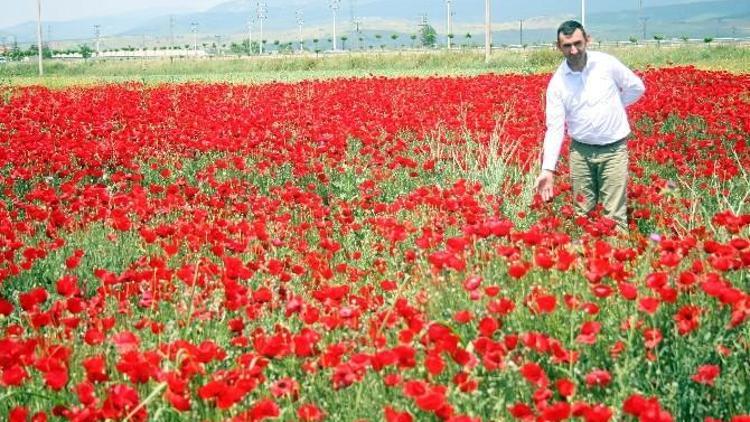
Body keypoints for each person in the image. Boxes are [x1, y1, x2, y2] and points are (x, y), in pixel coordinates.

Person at [535, 20, 645, 232]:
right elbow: (555, 128)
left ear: (588, 40)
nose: (573, 50)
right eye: (567, 46)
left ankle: (615, 256)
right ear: (558, 47)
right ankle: (587, 260)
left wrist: (616, 104)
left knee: (615, 216)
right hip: (581, 153)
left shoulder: (607, 64)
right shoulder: (557, 83)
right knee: (582, 213)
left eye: (578, 43)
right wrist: (547, 169)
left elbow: (636, 87)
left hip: (613, 150)